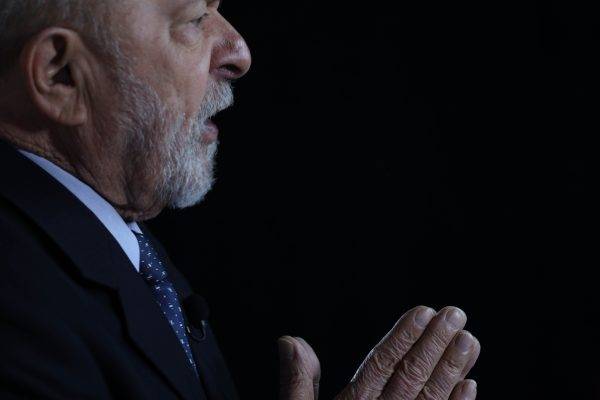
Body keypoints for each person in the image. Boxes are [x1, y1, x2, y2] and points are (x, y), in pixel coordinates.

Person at [0, 1, 480, 399]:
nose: (239, 53)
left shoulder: (117, 247)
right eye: (194, 19)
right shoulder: (16, 299)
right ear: (61, 75)